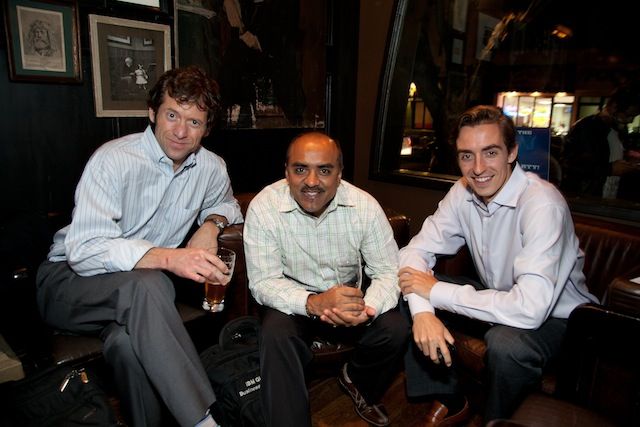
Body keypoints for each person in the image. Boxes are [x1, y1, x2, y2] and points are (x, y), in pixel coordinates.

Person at [36, 66, 243, 427]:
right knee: (151, 282)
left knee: (128, 345)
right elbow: (83, 251)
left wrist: (211, 225)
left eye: (194, 122)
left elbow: (227, 204)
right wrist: (168, 258)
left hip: (137, 302)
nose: (181, 131)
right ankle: (203, 421)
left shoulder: (210, 167)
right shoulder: (113, 159)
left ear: (207, 129)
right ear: (152, 113)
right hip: (68, 284)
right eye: (172, 115)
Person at [398, 105, 598, 424]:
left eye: (490, 152)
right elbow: (414, 252)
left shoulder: (542, 204)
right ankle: (451, 398)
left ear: (512, 152)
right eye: (467, 156)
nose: (478, 168)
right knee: (406, 291)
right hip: (501, 295)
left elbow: (530, 309)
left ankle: (499, 421)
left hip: (560, 319)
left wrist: (435, 292)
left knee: (506, 345)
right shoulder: (462, 192)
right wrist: (423, 313)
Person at [243, 131, 409, 427]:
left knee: (396, 327)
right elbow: (263, 281)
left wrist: (366, 309)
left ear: (339, 173)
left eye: (324, 170)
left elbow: (387, 271)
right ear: (286, 171)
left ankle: (357, 380)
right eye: (300, 169)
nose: (311, 181)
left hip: (348, 298)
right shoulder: (264, 207)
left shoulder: (364, 206)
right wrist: (313, 302)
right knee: (275, 333)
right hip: (294, 299)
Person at [562, 85, 640, 198]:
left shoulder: (618, 129)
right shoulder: (586, 127)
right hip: (587, 195)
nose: (631, 120)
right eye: (628, 115)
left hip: (608, 193)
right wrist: (609, 169)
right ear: (614, 106)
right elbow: (571, 163)